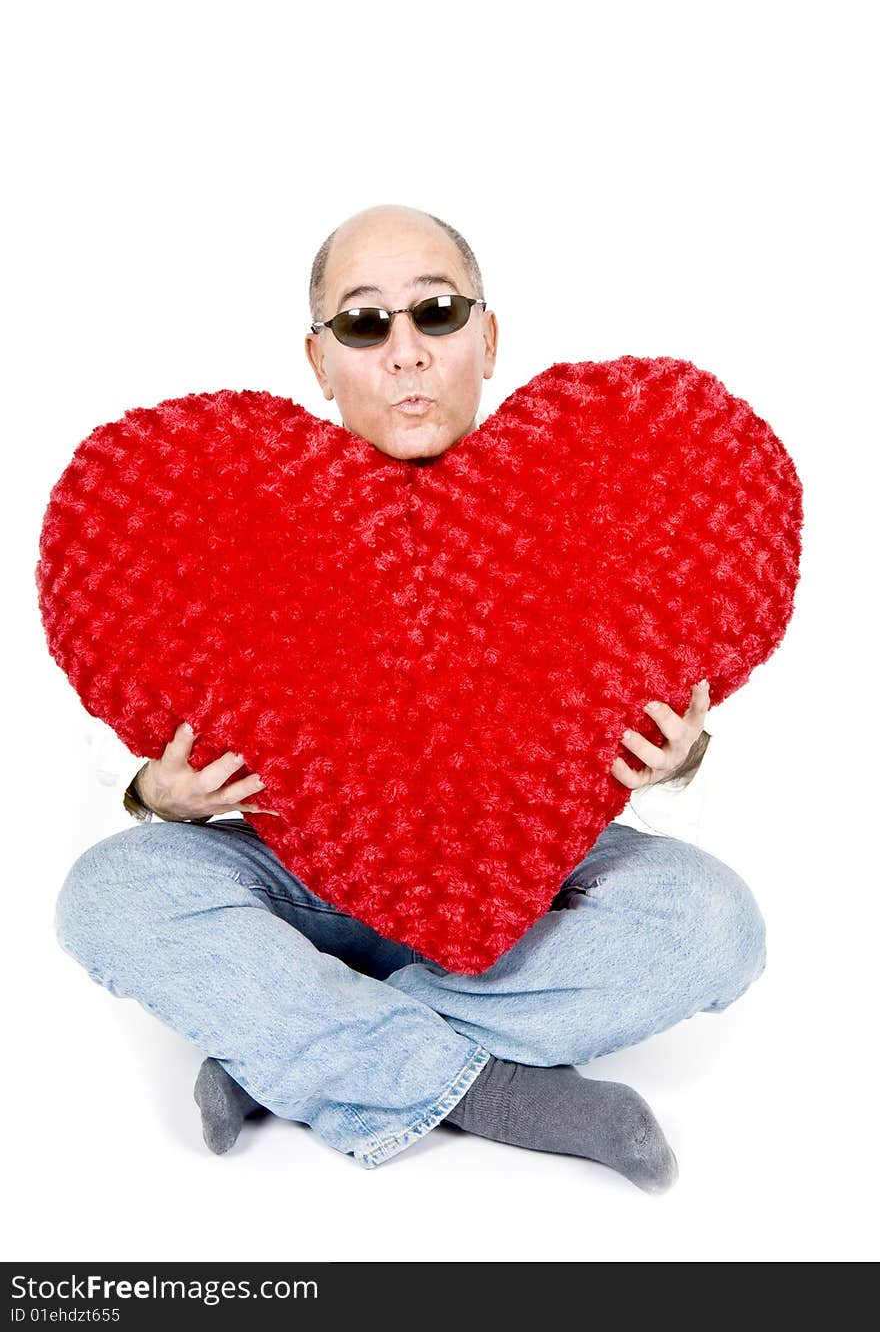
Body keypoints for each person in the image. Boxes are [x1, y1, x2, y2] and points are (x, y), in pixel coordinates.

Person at [53, 204, 766, 1195]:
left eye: (435, 312)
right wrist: (151, 790)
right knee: (106, 892)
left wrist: (676, 759)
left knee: (714, 923)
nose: (405, 352)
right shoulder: (252, 505)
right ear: (318, 359)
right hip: (305, 857)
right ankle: (493, 1088)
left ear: (487, 337)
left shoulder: (583, 508)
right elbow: (134, 697)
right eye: (363, 323)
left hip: (526, 868)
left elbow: (651, 746)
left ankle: (297, 1050)